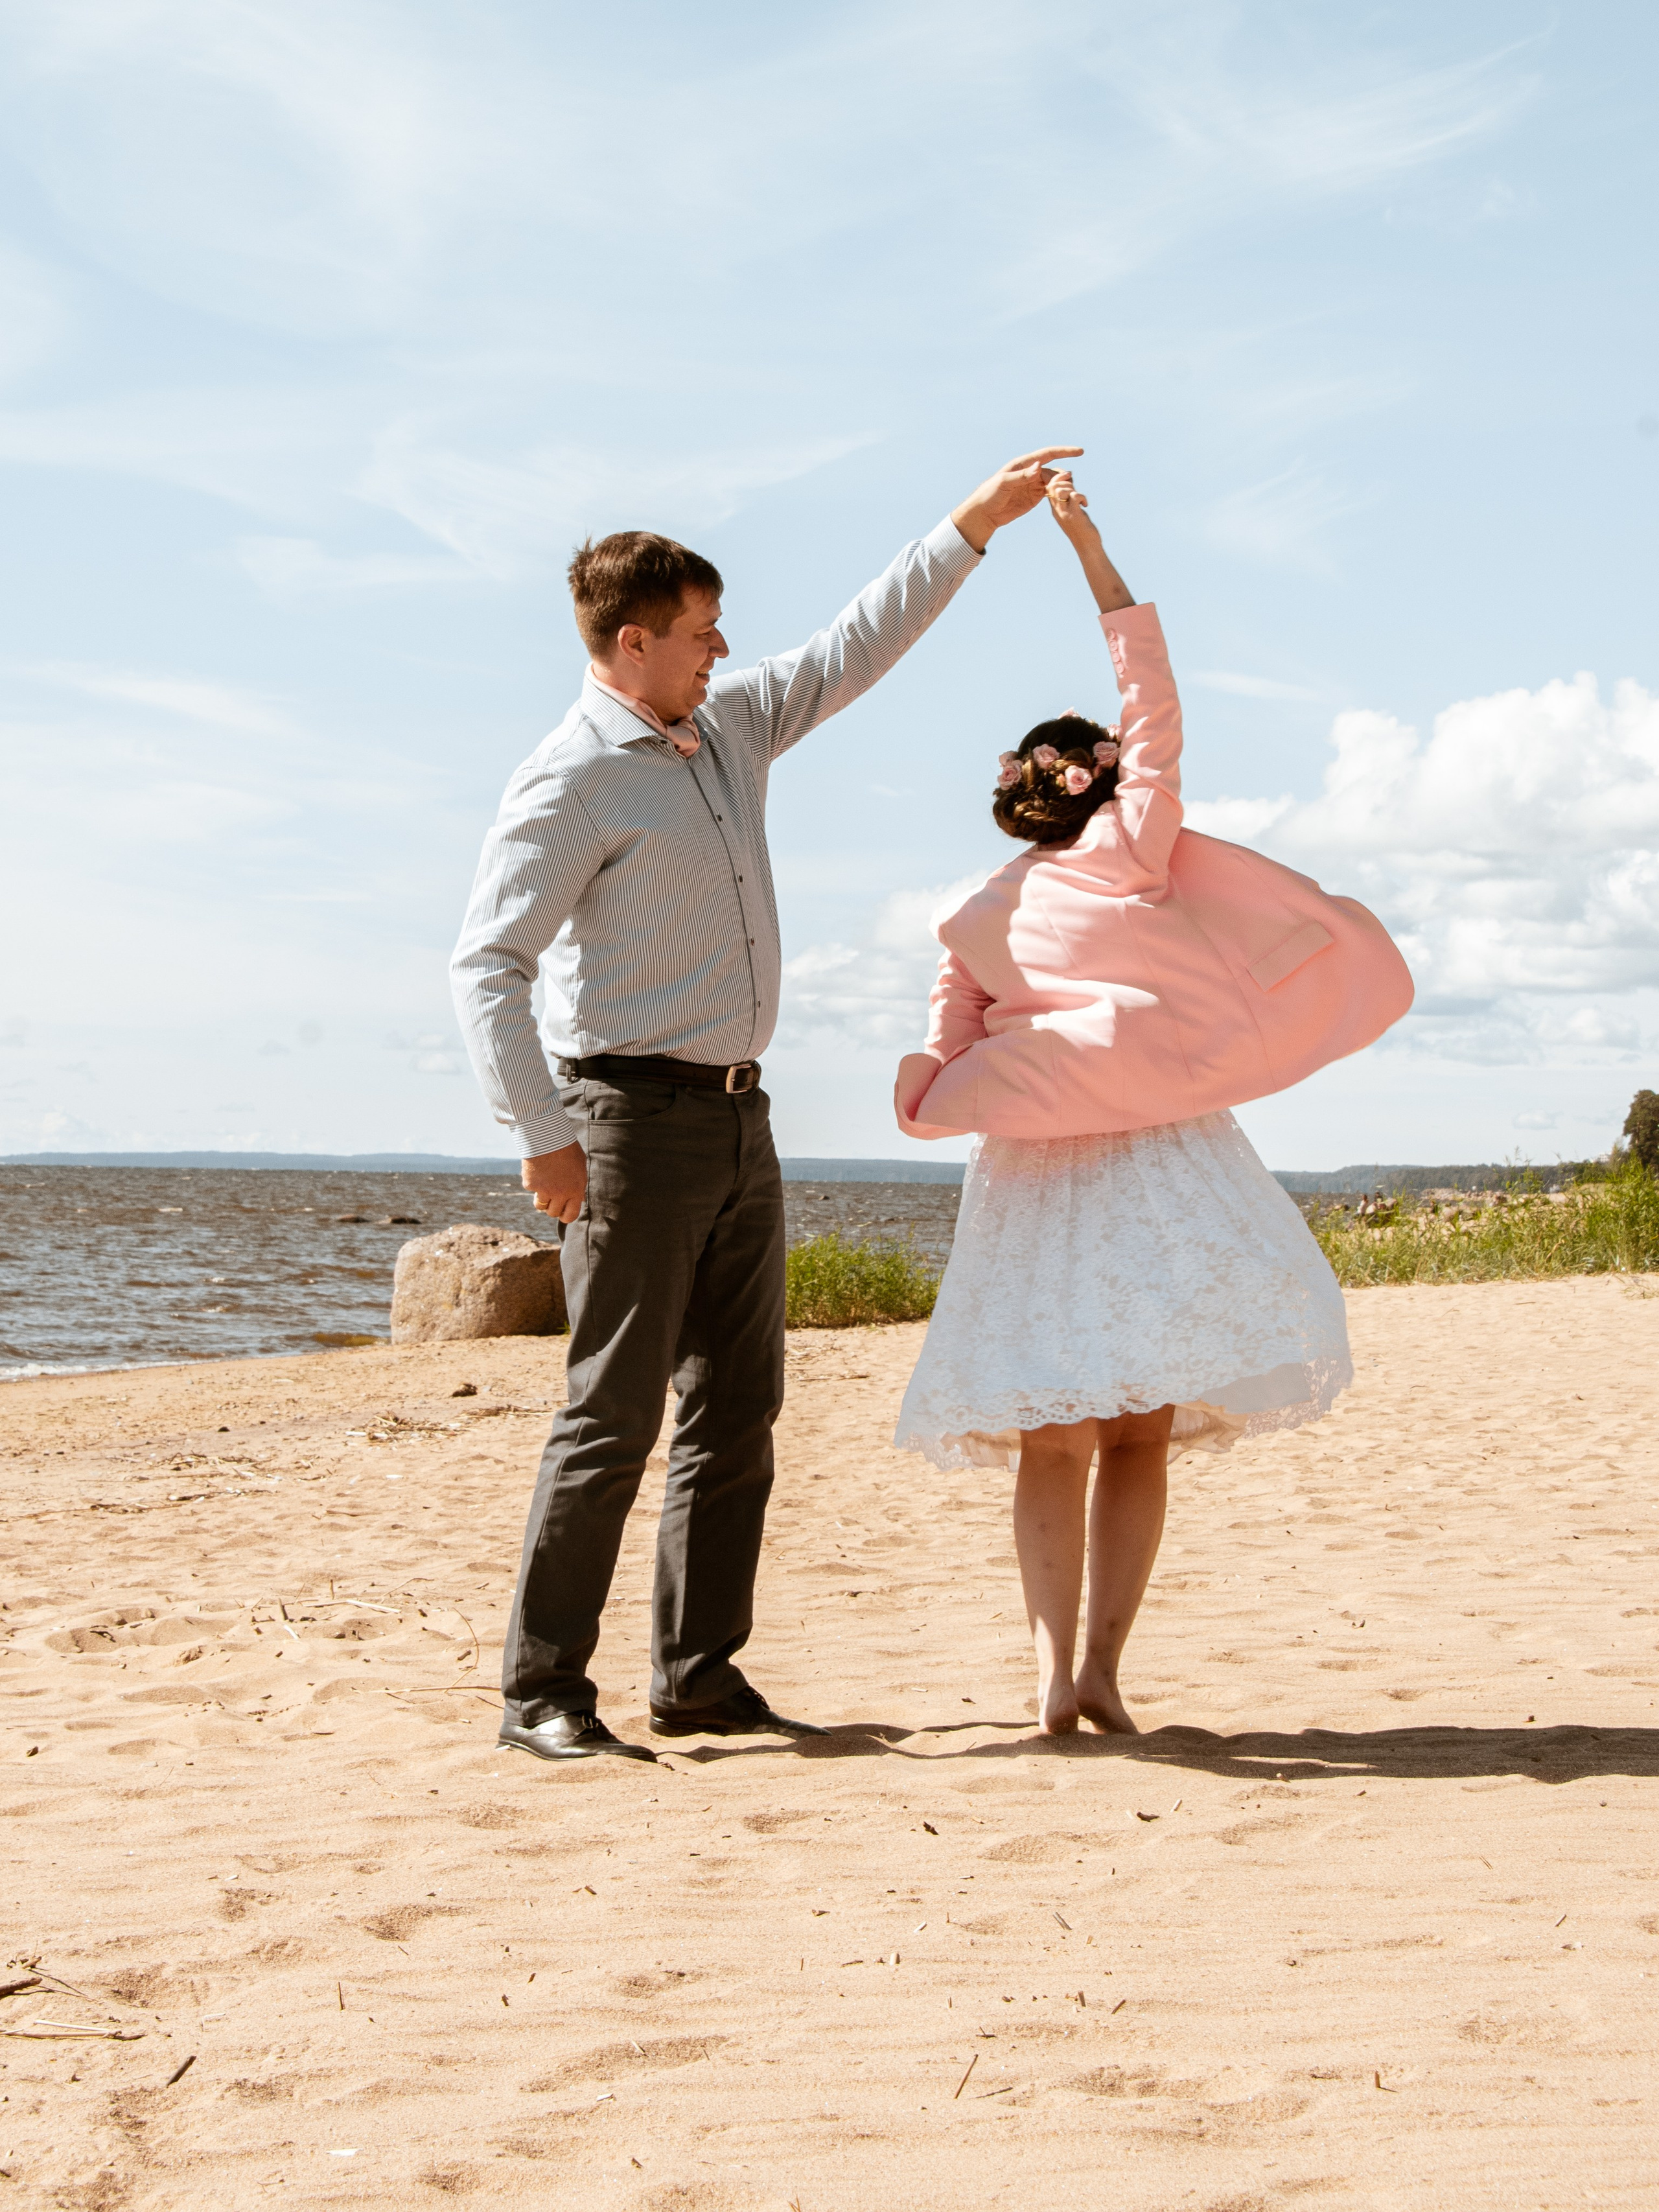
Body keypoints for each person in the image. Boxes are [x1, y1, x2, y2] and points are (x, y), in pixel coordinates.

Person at [452, 447, 1082, 1763]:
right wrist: (544, 1138)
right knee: (610, 1418)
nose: (723, 648)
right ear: (631, 644)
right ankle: (541, 1692)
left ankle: (697, 1674)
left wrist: (973, 522)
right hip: (627, 1125)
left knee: (737, 1412)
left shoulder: (730, 723)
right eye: (700, 631)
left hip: (743, 1120)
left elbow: (854, 645)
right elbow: (488, 966)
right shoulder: (569, 778)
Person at [890, 470, 1411, 1738]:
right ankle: (1101, 1673)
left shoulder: (971, 915)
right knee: (1134, 1433)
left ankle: (1045, 1678)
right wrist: (1092, 551)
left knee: (1050, 1437)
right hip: (1161, 1165)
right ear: (1104, 782)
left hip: (1033, 1182)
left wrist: (932, 1094)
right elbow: (1155, 700)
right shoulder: (1132, 850)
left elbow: (944, 1059)